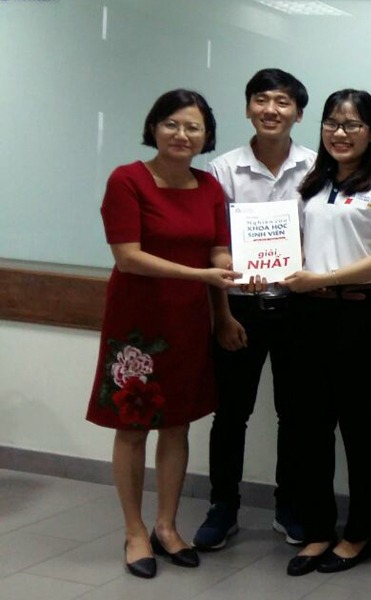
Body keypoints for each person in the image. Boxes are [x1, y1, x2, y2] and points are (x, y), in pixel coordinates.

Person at [85, 89, 237, 578]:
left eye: (193, 127)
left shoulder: (209, 186)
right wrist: (203, 274)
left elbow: (218, 253)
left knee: (177, 425)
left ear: (206, 136)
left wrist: (224, 308)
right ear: (153, 127)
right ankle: (134, 532)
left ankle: (166, 527)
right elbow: (128, 257)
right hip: (137, 326)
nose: (182, 134)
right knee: (132, 428)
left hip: (189, 321)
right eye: (172, 124)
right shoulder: (127, 179)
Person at [280, 89, 371, 576]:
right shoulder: (312, 182)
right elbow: (295, 245)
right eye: (332, 122)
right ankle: (318, 531)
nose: (340, 132)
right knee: (309, 428)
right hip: (305, 315)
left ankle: (357, 534)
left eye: (352, 124)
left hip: (357, 316)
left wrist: (323, 279)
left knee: (358, 427)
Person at [192, 68, 315, 552]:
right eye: (261, 100)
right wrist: (222, 315)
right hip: (239, 308)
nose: (271, 109)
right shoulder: (221, 170)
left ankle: (289, 507)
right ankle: (223, 507)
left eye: (283, 102)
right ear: (247, 108)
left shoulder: (317, 167)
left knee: (296, 414)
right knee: (230, 414)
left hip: (299, 308)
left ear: (298, 114)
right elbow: (213, 246)